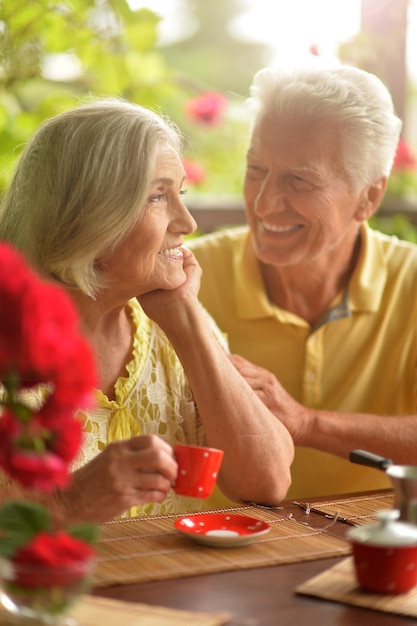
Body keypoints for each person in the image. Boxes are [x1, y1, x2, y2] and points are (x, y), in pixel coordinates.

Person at [0, 98, 294, 523]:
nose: (188, 222)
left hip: (162, 584)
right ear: (86, 217)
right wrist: (68, 501)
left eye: (181, 193)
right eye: (158, 196)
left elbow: (266, 482)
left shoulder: (168, 324)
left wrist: (185, 319)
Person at [188, 60, 417, 501]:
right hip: (213, 547)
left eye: (299, 180)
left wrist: (307, 423)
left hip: (367, 549)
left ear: (369, 196)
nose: (266, 203)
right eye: (256, 170)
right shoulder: (186, 281)